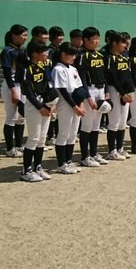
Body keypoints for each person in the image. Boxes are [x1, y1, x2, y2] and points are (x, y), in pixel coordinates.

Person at [20, 41, 55, 182]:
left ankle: (38, 167)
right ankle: (26, 170)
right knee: (34, 138)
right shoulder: (25, 69)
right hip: (33, 105)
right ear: (34, 53)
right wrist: (40, 107)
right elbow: (28, 91)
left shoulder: (43, 66)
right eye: (44, 52)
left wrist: (51, 104)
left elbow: (48, 85)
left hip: (45, 103)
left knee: (42, 139)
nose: (47, 54)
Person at [75, 27, 109, 167]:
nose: (96, 41)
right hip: (90, 89)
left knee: (96, 124)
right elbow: (82, 77)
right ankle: (85, 156)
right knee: (87, 125)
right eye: (94, 38)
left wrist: (106, 91)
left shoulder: (100, 55)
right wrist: (88, 96)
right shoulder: (82, 55)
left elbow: (104, 75)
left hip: (100, 90)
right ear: (85, 40)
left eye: (98, 38)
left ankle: (94, 153)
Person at [52, 42, 86, 174]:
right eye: (71, 55)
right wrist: (74, 106)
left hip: (76, 102)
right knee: (64, 133)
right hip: (66, 103)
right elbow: (62, 90)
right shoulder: (58, 69)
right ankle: (61, 164)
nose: (74, 58)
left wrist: (80, 104)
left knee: (72, 134)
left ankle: (69, 161)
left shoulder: (73, 69)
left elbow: (80, 88)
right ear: (63, 54)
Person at [104, 32, 135, 160]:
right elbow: (112, 77)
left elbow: (128, 76)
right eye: (122, 42)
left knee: (122, 122)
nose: (125, 45)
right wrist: (122, 93)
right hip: (114, 91)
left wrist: (130, 92)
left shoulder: (124, 57)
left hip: (125, 93)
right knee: (114, 122)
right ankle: (112, 151)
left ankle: (120, 148)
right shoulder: (109, 58)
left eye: (125, 42)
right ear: (114, 43)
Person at [0, 24, 28, 158]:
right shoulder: (7, 51)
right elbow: (6, 72)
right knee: (11, 116)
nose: (25, 38)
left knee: (21, 117)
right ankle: (10, 148)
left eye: (26, 35)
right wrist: (13, 90)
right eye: (23, 35)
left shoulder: (21, 50)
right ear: (14, 36)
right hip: (12, 85)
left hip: (21, 85)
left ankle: (19, 145)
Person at [46, 26, 65, 145]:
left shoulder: (60, 49)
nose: (61, 38)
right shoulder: (49, 50)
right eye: (58, 35)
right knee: (51, 111)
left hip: (59, 80)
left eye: (62, 35)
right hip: (51, 81)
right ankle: (50, 136)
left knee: (59, 111)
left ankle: (58, 134)